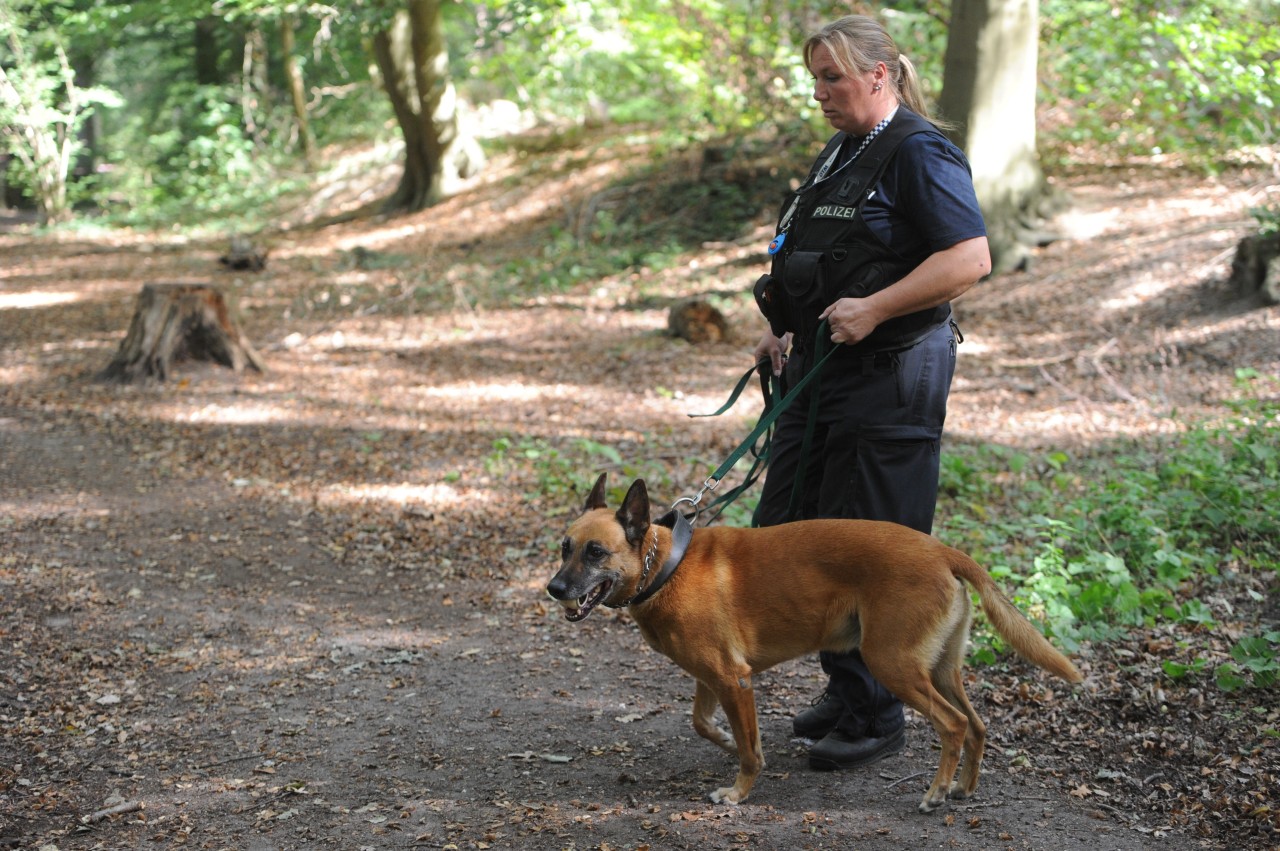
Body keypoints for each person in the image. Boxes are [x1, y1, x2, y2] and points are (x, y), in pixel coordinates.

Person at [750, 15, 991, 772]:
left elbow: (970, 257)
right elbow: (817, 255)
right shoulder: (841, 151)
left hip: (890, 378)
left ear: (881, 75)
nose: (820, 93)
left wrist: (878, 306)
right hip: (819, 373)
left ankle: (879, 707)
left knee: (866, 538)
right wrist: (777, 325)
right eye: (815, 78)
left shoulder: (918, 150)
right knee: (796, 530)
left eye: (834, 78)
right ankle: (847, 684)